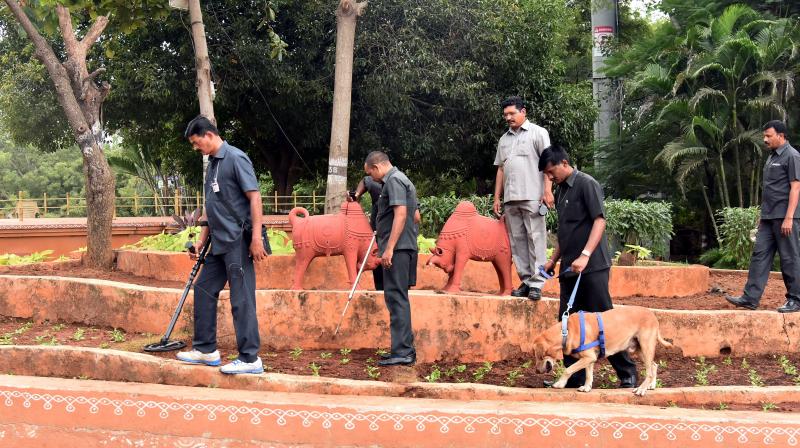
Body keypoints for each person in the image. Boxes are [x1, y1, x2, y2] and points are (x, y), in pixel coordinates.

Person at [539, 144, 638, 389]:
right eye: (547, 175)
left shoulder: (587, 184)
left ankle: (628, 374)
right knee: (566, 325)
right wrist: (553, 260)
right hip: (569, 269)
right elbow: (566, 232)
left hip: (592, 266)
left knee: (605, 320)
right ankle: (574, 378)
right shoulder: (561, 191)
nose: (550, 178)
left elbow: (599, 220)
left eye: (552, 172)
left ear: (564, 163)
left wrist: (585, 255)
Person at [176, 116, 268, 374]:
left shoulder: (235, 158)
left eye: (196, 142)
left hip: (238, 241)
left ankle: (250, 359)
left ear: (208, 135)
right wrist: (201, 242)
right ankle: (206, 349)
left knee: (241, 299)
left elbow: (255, 198)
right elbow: (210, 206)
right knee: (204, 288)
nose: (196, 148)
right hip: (218, 242)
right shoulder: (213, 164)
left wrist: (256, 238)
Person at [727, 121, 800, 313]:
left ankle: (796, 300)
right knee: (759, 256)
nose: (765, 139)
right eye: (765, 136)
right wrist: (762, 215)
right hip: (768, 218)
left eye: (769, 136)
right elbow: (770, 190)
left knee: (789, 258)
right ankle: (750, 298)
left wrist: (789, 218)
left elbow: (796, 187)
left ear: (781, 136)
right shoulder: (771, 157)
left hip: (785, 217)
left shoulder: (792, 156)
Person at [492, 96, 554, 300]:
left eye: (512, 113)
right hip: (511, 198)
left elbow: (549, 163)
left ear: (523, 112)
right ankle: (526, 281)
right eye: (506, 115)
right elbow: (501, 168)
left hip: (533, 195)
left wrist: (547, 190)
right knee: (517, 242)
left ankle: (537, 283)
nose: (508, 117)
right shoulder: (504, 139)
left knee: (536, 239)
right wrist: (497, 197)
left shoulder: (538, 133)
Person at [364, 151, 419, 366]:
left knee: (396, 298)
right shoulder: (401, 179)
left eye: (371, 174)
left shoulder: (394, 180)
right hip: (403, 246)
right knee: (397, 297)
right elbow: (414, 216)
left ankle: (403, 352)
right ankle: (402, 348)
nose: (372, 179)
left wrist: (390, 249)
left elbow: (402, 214)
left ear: (377, 167)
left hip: (398, 249)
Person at [348, 176, 423, 291]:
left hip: (391, 241)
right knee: (400, 289)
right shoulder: (404, 185)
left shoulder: (389, 184)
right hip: (399, 241)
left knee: (393, 289)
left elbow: (415, 217)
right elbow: (416, 217)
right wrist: (356, 195)